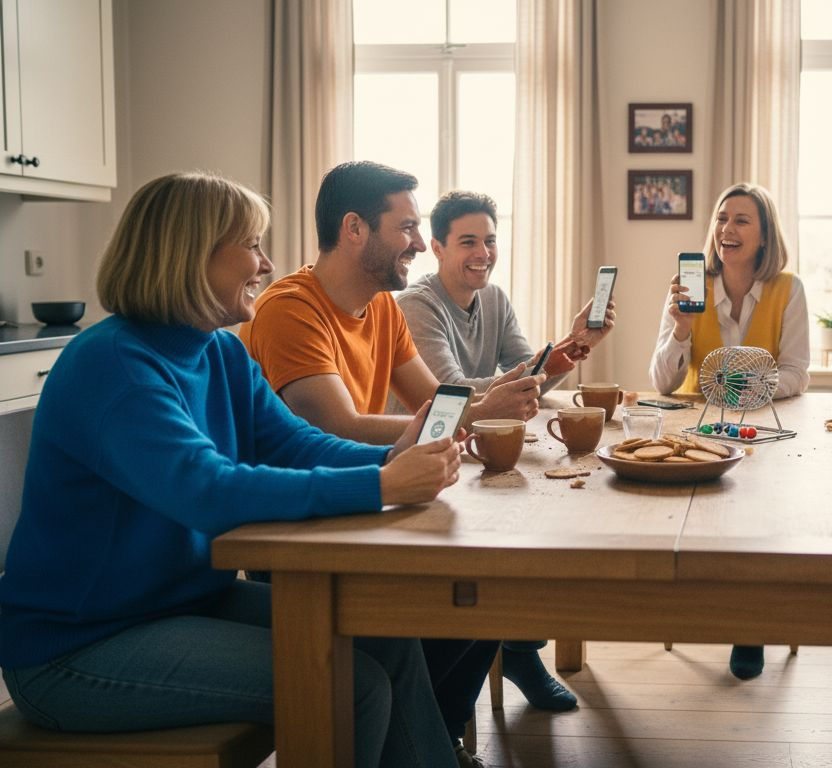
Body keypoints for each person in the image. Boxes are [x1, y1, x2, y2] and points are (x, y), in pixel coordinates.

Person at [0, 172, 463, 768]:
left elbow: (292, 443)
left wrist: (392, 458)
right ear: (191, 254)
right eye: (251, 245)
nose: (266, 263)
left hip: (182, 603)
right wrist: (379, 484)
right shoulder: (112, 366)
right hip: (78, 646)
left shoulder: (218, 350)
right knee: (355, 687)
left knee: (385, 635)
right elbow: (207, 490)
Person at [240, 161, 521, 767]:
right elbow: (333, 426)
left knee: (493, 595)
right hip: (303, 530)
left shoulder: (383, 307)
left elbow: (433, 403)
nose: (421, 244)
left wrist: (486, 406)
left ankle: (433, 742)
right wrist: (468, 418)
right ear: (355, 229)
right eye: (408, 228)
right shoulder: (291, 308)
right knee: (451, 603)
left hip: (372, 500)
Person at [395, 189, 617, 712]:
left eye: (490, 241)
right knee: (515, 536)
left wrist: (575, 342)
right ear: (437, 247)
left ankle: (520, 648)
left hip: (479, 453)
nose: (483, 253)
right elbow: (450, 392)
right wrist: (539, 366)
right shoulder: (415, 306)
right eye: (468, 241)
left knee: (546, 515)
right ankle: (511, 652)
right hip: (431, 457)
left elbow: (527, 372)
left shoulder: (493, 298)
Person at [649, 182, 810, 680]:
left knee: (758, 518)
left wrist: (736, 389)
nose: (727, 229)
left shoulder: (789, 289)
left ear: (764, 236)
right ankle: (696, 610)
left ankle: (749, 625)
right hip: (697, 432)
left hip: (763, 431)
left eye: (741, 220)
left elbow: (797, 373)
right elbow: (662, 381)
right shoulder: (687, 290)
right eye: (722, 218)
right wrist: (679, 328)